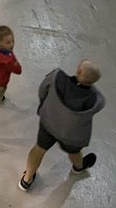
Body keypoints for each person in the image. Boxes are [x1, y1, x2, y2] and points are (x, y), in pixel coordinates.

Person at [19, 59, 105, 192]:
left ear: (79, 70)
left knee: (39, 149)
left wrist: (46, 106)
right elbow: (96, 107)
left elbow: (42, 90)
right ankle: (78, 168)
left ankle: (26, 180)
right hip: (72, 134)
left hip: (49, 123)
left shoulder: (56, 77)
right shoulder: (97, 101)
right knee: (74, 151)